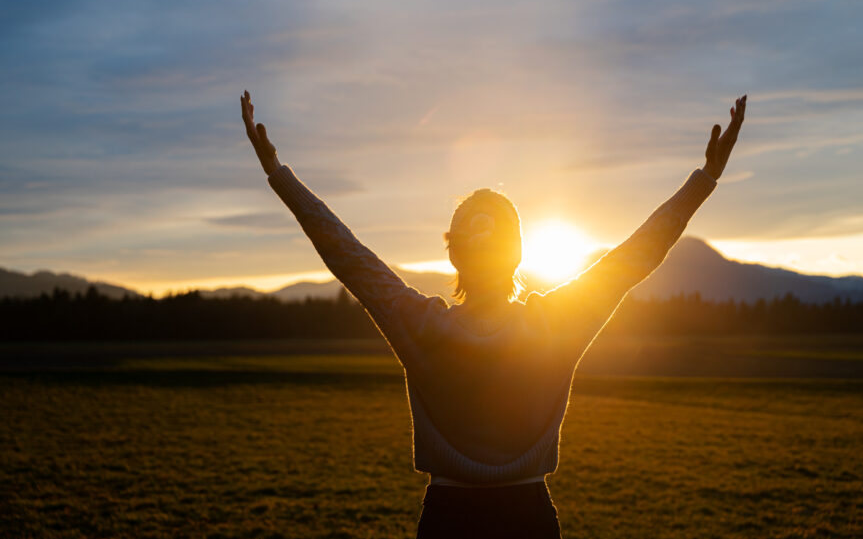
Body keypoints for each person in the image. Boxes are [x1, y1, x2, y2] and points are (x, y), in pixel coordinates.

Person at [241, 90, 746, 538]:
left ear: (454, 256)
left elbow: (346, 253)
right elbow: (636, 256)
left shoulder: (420, 324)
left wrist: (278, 173)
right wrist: (704, 179)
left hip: (447, 519)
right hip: (529, 517)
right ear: (517, 255)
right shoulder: (554, 324)